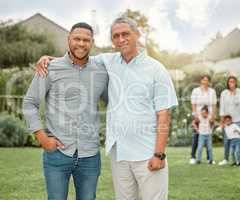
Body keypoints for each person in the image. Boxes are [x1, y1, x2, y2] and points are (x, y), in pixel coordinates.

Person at [36, 17, 178, 200]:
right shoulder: (108, 61)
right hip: (120, 154)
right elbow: (78, 57)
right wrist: (48, 60)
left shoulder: (156, 69)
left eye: (125, 34)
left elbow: (164, 115)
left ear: (137, 35)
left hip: (147, 154)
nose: (121, 39)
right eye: (116, 36)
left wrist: (159, 154)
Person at [22, 22, 108, 200]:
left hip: (90, 155)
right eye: (77, 39)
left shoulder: (101, 71)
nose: (81, 44)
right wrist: (42, 138)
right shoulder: (50, 68)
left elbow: (114, 103)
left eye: (86, 40)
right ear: (68, 39)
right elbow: (30, 103)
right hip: (57, 154)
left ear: (92, 42)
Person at [189, 75, 217, 164]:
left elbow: (214, 104)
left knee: (208, 138)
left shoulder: (212, 91)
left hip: (208, 116)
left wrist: (213, 116)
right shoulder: (195, 91)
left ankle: (210, 158)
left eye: (207, 80)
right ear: (201, 81)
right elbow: (193, 104)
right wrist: (195, 115)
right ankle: (193, 157)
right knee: (196, 136)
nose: (205, 81)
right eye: (203, 80)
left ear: (209, 82)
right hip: (198, 116)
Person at [218, 76, 240, 166]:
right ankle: (226, 159)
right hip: (227, 121)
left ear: (236, 83)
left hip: (238, 120)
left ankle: (238, 161)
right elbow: (222, 107)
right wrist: (222, 121)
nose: (231, 83)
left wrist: (234, 91)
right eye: (230, 82)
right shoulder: (224, 93)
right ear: (227, 83)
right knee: (227, 141)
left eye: (233, 82)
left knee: (237, 141)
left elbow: (238, 101)